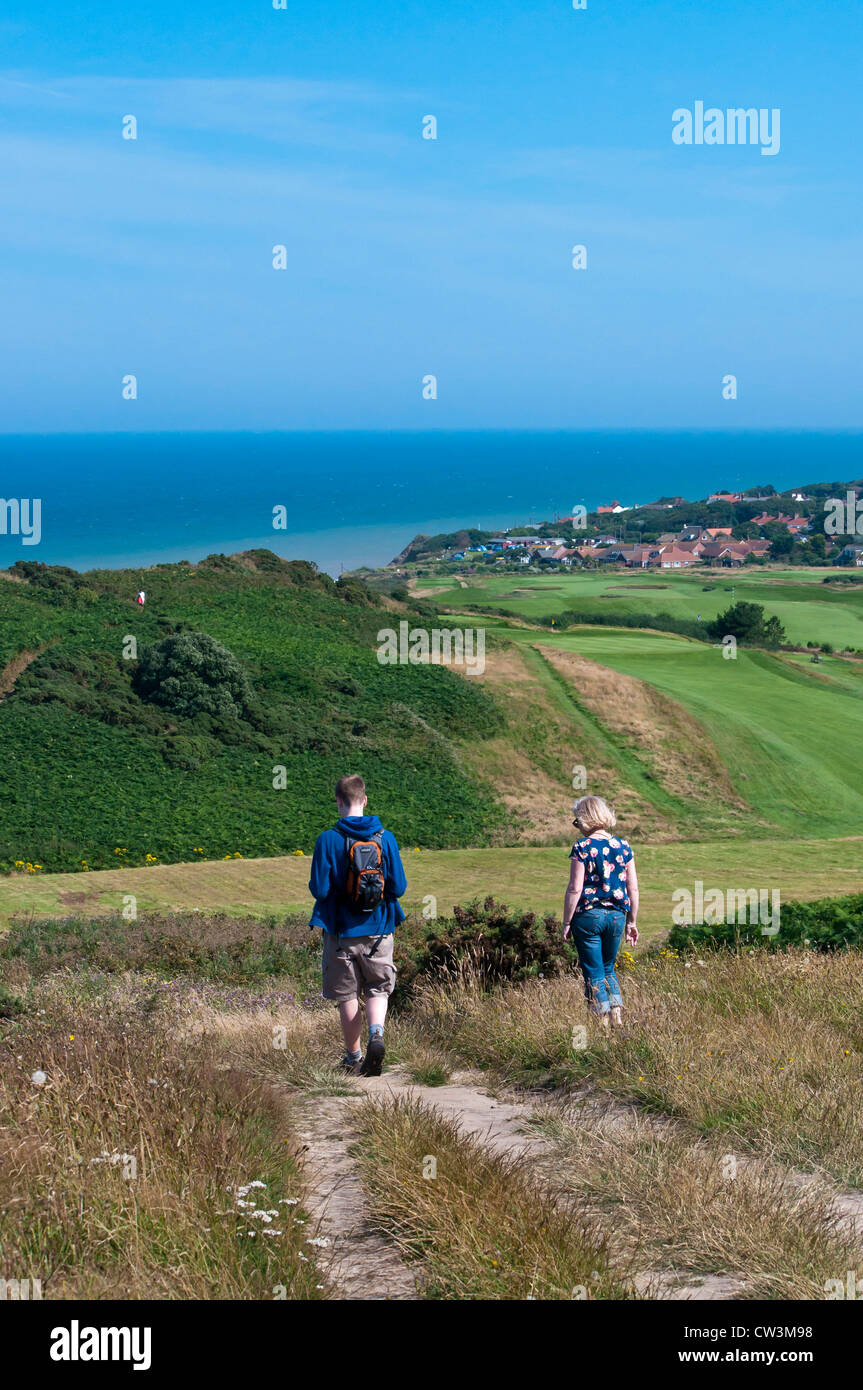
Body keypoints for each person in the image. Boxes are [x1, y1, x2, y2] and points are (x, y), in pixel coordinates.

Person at [308, 774, 407, 1075]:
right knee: (378, 988)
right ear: (364, 800)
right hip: (379, 930)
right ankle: (377, 1033)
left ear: (339, 802)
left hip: (341, 933)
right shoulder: (385, 838)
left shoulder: (327, 840)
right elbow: (399, 888)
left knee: (347, 995)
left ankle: (354, 1057)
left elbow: (320, 891)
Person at [562, 794, 639, 1028]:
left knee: (594, 972)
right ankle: (617, 1019)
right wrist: (632, 922)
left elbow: (575, 889)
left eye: (577, 821)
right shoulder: (623, 846)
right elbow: (633, 888)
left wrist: (566, 922)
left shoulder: (583, 847)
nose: (578, 827)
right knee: (608, 969)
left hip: (588, 916)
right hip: (617, 916)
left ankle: (601, 1025)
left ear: (585, 819)